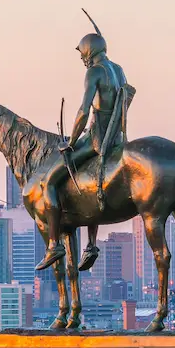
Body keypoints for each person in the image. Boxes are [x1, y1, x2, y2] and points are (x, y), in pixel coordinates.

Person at [34, 28, 133, 271]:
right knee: (85, 181)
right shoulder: (118, 70)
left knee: (50, 182)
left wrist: (71, 141)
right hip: (117, 139)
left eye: (82, 56)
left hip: (97, 139)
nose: (82, 61)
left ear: (89, 52)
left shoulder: (94, 72)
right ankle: (90, 245)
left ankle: (54, 244)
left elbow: (83, 110)